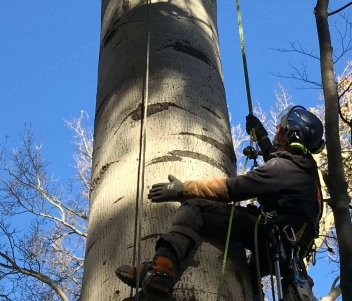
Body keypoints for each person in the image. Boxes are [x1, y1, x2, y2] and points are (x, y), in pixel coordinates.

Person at [115, 105, 326, 298]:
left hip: (268, 237)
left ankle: (162, 270)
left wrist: (183, 190)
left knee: (194, 209)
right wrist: (262, 138)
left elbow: (231, 189)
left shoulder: (284, 169)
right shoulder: (305, 171)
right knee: (250, 285)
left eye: (281, 129)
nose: (277, 129)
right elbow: (278, 164)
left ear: (291, 136)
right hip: (282, 251)